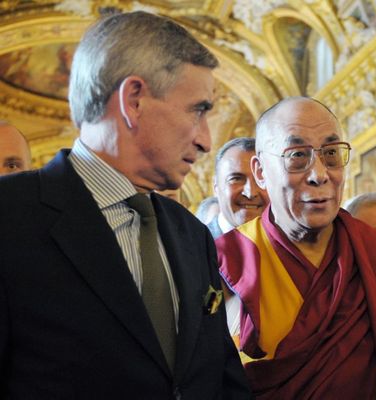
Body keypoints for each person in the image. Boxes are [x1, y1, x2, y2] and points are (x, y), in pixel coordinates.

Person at [0, 11, 251, 399]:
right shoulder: (10, 217)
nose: (205, 140)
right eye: (198, 110)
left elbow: (222, 380)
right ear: (134, 100)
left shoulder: (192, 235)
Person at [217, 97, 376, 399]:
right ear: (261, 172)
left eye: (330, 154)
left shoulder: (369, 247)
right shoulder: (229, 260)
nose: (319, 174)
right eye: (297, 155)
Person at [209, 137, 268, 238]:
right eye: (236, 179)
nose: (251, 193)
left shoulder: (291, 246)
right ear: (216, 187)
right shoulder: (194, 245)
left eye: (261, 178)